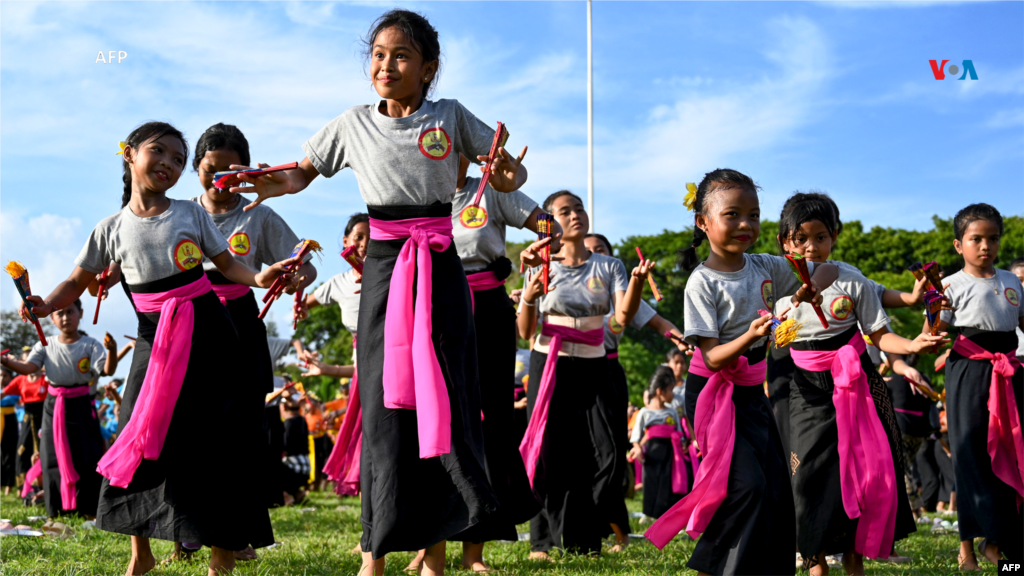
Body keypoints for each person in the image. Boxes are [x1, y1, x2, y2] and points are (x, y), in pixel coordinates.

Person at [228, 10, 529, 575]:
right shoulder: (351, 124)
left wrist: (506, 168)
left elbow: (509, 178)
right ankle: (376, 554)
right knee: (386, 409)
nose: (385, 65)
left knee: (444, 402)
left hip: (441, 267)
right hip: (386, 268)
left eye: (401, 55)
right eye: (378, 54)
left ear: (428, 69)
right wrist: (266, 181)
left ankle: (438, 552)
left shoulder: (452, 116)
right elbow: (299, 174)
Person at [21, 121, 298, 576]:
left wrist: (260, 277)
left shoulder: (191, 215)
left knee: (216, 442)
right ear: (129, 155)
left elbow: (227, 264)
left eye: (177, 160)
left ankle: (221, 557)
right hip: (155, 340)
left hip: (209, 334)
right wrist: (45, 303)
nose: (169, 164)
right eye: (159, 152)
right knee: (137, 434)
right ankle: (140, 554)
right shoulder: (108, 229)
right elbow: (77, 280)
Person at [644, 169, 838, 576]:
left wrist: (808, 287)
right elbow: (713, 357)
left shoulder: (765, 265)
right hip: (713, 391)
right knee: (743, 485)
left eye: (754, 214)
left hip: (751, 391)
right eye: (732, 214)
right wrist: (751, 334)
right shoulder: (702, 282)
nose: (746, 224)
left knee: (774, 487)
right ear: (703, 221)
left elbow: (827, 268)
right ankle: (715, 567)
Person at [772, 192, 944, 575]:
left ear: (834, 236)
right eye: (800, 239)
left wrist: (914, 344)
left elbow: (880, 335)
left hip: (858, 384)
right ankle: (816, 567)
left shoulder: (852, 280)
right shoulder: (776, 284)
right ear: (785, 241)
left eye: (820, 236)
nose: (811, 247)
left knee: (863, 473)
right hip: (804, 390)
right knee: (807, 479)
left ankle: (855, 564)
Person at [186, 122, 316, 561]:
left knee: (237, 436)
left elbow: (304, 262)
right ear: (195, 168)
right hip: (188, 325)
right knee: (190, 434)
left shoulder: (258, 214)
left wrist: (299, 276)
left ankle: (234, 541)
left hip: (241, 325)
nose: (220, 180)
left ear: (246, 172)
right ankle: (187, 538)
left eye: (230, 172)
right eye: (209, 170)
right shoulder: (181, 213)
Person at [517, 190, 653, 557]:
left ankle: (585, 537)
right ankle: (541, 540)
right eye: (565, 211)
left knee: (607, 451)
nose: (576, 214)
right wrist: (528, 296)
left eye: (579, 208)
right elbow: (527, 333)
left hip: (595, 360)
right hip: (550, 362)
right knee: (549, 451)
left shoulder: (610, 267)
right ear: (551, 222)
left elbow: (621, 319)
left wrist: (637, 283)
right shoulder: (541, 264)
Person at [929, 203, 1024, 567]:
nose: (986, 246)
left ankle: (999, 545)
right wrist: (931, 310)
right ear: (958, 245)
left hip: (1010, 371)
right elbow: (932, 332)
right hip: (969, 371)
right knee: (971, 453)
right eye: (976, 239)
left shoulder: (1011, 280)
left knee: (1011, 451)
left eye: (993, 238)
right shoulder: (950, 284)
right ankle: (968, 545)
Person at [583, 232, 686, 550]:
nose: (594, 256)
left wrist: (681, 338)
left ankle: (618, 532)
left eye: (600, 250)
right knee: (577, 455)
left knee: (611, 455)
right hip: (569, 370)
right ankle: (575, 529)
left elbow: (659, 324)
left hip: (607, 371)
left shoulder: (622, 295)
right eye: (587, 251)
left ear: (612, 260)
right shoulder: (563, 282)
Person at [0, 300, 116, 519]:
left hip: (82, 405)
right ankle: (56, 511)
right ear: (52, 318)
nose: (65, 317)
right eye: (60, 313)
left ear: (80, 313)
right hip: (54, 407)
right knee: (51, 456)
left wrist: (112, 350)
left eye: (70, 312)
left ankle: (89, 511)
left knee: (87, 455)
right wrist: (4, 361)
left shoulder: (90, 344)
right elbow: (28, 368)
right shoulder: (45, 343)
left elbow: (107, 371)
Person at [307, 213, 366, 504]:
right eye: (359, 237)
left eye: (373, 237)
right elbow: (305, 304)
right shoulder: (340, 282)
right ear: (345, 242)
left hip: (394, 362)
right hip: (364, 372)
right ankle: (371, 531)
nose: (366, 243)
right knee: (365, 443)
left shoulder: (393, 272)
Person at [629, 366, 693, 519]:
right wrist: (637, 449)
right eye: (670, 390)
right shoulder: (645, 412)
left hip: (670, 452)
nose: (673, 394)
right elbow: (636, 437)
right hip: (651, 453)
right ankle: (648, 513)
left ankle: (664, 512)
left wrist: (683, 442)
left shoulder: (671, 412)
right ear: (659, 391)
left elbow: (679, 431)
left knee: (667, 481)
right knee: (650, 481)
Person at [2, 348, 48, 480]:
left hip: (45, 417)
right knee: (22, 449)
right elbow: (2, 394)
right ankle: (25, 486)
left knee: (44, 449)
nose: (30, 363)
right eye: (26, 360)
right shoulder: (20, 380)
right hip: (27, 418)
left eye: (33, 360)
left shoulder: (47, 378)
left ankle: (44, 484)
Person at [0, 365, 17, 494]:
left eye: (5, 376)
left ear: (10, 377)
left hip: (9, 419)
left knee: (9, 453)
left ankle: (9, 485)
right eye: (0, 375)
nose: (2, 378)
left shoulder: (13, 390)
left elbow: (15, 398)